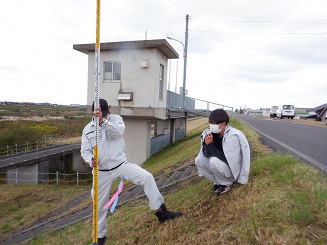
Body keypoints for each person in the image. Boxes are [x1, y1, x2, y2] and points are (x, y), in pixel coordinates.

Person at [81, 98, 182, 245]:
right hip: (101, 171)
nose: (102, 115)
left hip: (120, 165)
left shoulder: (117, 120)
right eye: (98, 113)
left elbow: (118, 132)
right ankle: (100, 237)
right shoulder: (88, 129)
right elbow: (85, 150)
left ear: (108, 109)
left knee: (147, 177)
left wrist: (103, 122)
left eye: (104, 113)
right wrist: (91, 160)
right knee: (99, 202)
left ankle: (162, 212)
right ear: (92, 112)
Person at [195, 109, 251, 195]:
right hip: (221, 167)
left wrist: (210, 145)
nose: (211, 126)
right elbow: (206, 154)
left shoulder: (232, 136)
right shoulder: (211, 134)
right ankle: (218, 182)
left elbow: (227, 159)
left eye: (214, 123)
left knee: (214, 160)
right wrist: (206, 145)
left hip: (232, 171)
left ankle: (227, 184)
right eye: (210, 123)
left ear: (223, 124)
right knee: (198, 160)